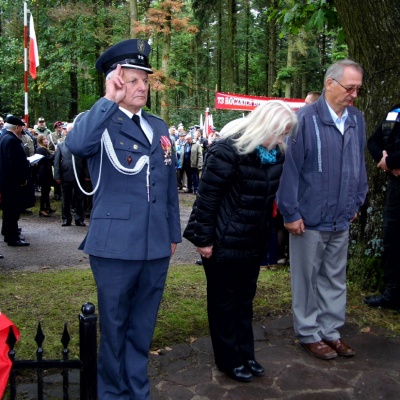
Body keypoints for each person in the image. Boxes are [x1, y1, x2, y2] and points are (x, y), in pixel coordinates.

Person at [65, 38, 181, 400]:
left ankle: (137, 389)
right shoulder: (98, 121)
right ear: (114, 81)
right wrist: (107, 101)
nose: (141, 86)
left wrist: (172, 233)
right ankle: (112, 393)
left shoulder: (159, 127)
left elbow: (168, 185)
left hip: (155, 244)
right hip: (115, 246)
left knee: (142, 327)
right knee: (114, 327)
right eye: (131, 80)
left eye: (144, 79)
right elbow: (77, 146)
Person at [183, 100, 297, 383]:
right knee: (224, 302)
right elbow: (207, 201)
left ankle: (246, 354)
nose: (283, 139)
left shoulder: (275, 155)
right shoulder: (226, 151)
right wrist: (204, 240)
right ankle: (228, 359)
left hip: (252, 241)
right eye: (280, 132)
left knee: (244, 301)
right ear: (264, 126)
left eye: (286, 134)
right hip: (222, 241)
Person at [276, 59, 368, 360]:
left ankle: (330, 331)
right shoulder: (304, 119)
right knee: (306, 279)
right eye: (349, 87)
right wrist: (290, 212)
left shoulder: (356, 119)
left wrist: (356, 201)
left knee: (334, 277)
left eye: (357, 89)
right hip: (309, 217)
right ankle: (307, 333)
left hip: (341, 216)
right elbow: (290, 169)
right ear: (330, 84)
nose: (353, 94)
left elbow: (359, 165)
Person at [363, 104, 400, 310]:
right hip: (396, 188)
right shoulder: (396, 111)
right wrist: (387, 163)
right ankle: (393, 294)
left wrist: (391, 161)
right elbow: (373, 141)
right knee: (393, 239)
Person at [0, 115, 31, 246]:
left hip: (6, 180)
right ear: (17, 127)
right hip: (11, 182)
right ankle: (12, 237)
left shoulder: (3, 137)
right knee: (12, 210)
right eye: (21, 128)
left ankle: (7, 232)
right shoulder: (11, 140)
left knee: (8, 210)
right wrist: (22, 179)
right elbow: (14, 163)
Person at [54, 123, 86, 227]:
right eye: (69, 130)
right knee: (65, 198)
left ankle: (79, 219)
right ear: (66, 131)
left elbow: (86, 161)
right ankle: (66, 219)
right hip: (66, 175)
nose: (71, 132)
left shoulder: (81, 144)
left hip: (79, 175)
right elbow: (57, 161)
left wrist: (87, 174)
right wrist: (57, 176)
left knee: (79, 198)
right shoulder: (61, 145)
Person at [35, 135, 56, 217]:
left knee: (47, 190)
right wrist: (56, 153)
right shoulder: (40, 149)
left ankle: (47, 207)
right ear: (40, 141)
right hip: (43, 172)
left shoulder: (44, 149)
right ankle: (42, 209)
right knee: (44, 191)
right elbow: (48, 159)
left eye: (46, 139)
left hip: (47, 171)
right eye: (44, 139)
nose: (46, 140)